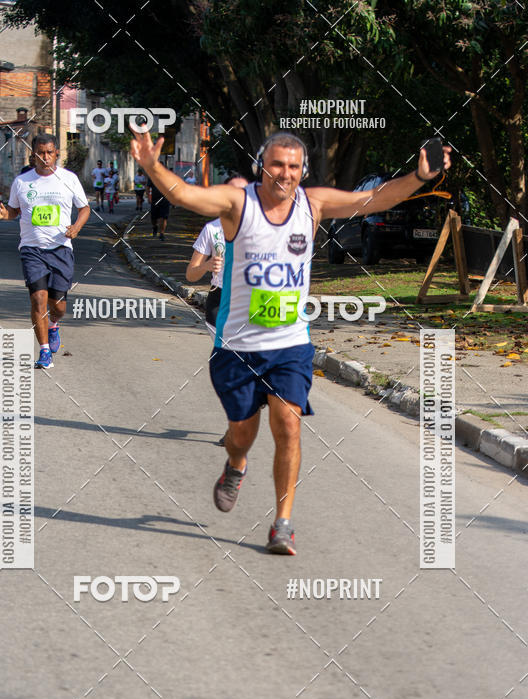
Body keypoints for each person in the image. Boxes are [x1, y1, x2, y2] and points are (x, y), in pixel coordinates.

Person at [132, 127, 451, 554]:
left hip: (290, 344)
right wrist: (152, 165)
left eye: (294, 167)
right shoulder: (236, 204)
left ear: (303, 171)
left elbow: (374, 200)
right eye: (278, 165)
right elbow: (185, 196)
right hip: (238, 347)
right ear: (263, 166)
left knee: (288, 426)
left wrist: (419, 179)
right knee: (242, 434)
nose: (285, 174)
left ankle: (282, 523)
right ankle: (236, 464)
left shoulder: (312, 204)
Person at [0, 133, 91, 369]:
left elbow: (85, 208)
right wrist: (5, 214)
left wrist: (76, 227)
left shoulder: (68, 179)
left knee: (58, 306)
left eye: (49, 152)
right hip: (32, 249)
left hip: (60, 248)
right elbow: (14, 210)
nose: (45, 157)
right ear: (33, 155)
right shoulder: (22, 182)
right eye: (40, 152)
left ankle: (54, 324)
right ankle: (44, 351)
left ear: (57, 153)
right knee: (38, 299)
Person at [186, 175, 248, 335]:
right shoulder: (211, 229)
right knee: (228, 355)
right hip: (220, 299)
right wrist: (206, 266)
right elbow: (191, 275)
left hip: (252, 299)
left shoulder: (264, 228)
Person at [147, 176, 170, 240]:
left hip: (165, 200)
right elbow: (148, 187)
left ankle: (162, 233)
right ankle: (155, 227)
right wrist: (148, 197)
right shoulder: (152, 175)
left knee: (164, 217)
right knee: (153, 218)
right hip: (155, 200)